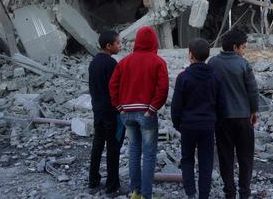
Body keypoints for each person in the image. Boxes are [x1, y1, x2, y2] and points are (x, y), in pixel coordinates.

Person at [109, 27, 169, 199]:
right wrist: (153, 108)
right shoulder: (158, 62)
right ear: (154, 42)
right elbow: (163, 88)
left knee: (134, 150)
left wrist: (119, 107)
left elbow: (113, 85)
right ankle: (146, 194)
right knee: (149, 153)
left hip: (126, 113)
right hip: (146, 113)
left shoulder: (124, 62)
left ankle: (135, 191)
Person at [208, 28, 259, 199]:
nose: (244, 52)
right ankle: (244, 191)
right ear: (236, 47)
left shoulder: (213, 63)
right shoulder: (243, 64)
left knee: (225, 156)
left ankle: (229, 191)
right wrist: (254, 111)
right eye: (244, 47)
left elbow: (210, 90)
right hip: (243, 118)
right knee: (245, 156)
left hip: (222, 120)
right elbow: (252, 90)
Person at [171, 38, 224, 199]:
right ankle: (204, 195)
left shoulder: (183, 77)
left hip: (188, 125)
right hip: (208, 125)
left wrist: (177, 123)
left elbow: (176, 105)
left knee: (187, 159)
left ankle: (190, 193)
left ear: (190, 55)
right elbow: (221, 103)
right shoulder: (215, 76)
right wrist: (217, 122)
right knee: (206, 161)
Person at [88, 30, 125, 196]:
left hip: (98, 110)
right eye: (118, 43)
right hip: (111, 112)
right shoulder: (111, 64)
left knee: (97, 144)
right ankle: (112, 186)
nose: (120, 46)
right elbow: (116, 89)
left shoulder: (93, 62)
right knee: (113, 148)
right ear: (108, 46)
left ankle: (93, 181)